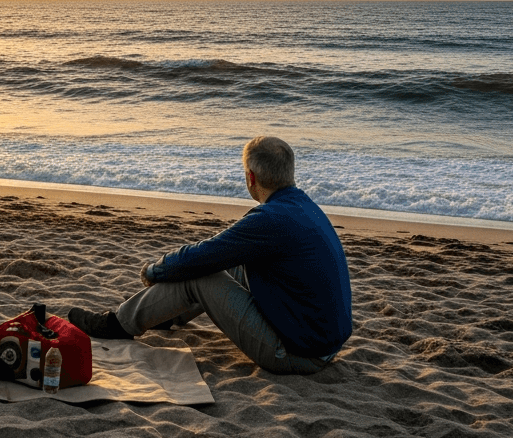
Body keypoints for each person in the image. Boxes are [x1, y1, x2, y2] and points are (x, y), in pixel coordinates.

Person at [68, 136, 352, 375]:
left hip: (296, 355)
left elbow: (201, 256)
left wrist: (155, 270)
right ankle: (164, 314)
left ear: (250, 178)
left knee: (200, 276)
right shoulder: (304, 206)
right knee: (234, 264)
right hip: (324, 346)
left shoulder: (270, 219)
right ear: (289, 173)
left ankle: (117, 324)